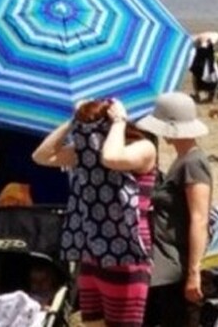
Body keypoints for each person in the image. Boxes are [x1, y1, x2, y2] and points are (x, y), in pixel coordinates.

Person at [35, 98, 158, 327]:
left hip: (127, 252)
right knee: (93, 322)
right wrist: (72, 122)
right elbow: (42, 156)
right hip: (93, 251)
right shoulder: (88, 153)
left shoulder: (142, 147)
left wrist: (120, 121)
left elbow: (111, 159)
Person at [135, 93, 212, 326]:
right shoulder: (183, 160)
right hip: (167, 263)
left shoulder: (193, 163)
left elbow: (199, 219)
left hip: (175, 265)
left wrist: (194, 273)